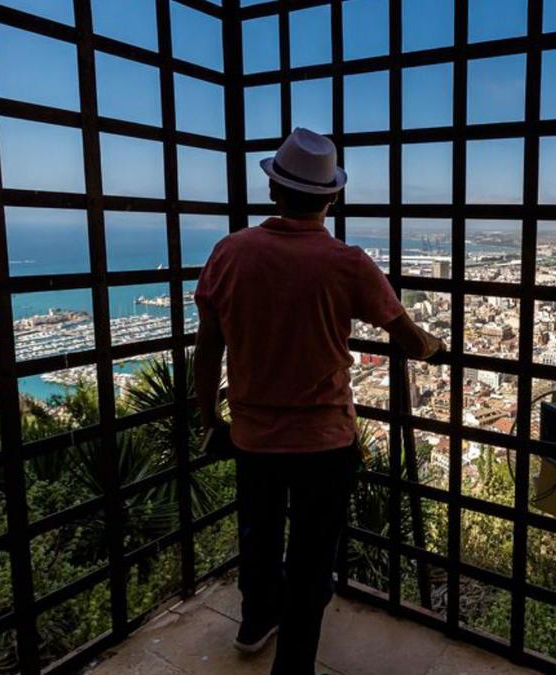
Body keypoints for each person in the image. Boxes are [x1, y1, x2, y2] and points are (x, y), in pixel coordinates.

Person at [193, 127, 446, 675]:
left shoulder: (229, 253)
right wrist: (435, 347)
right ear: (332, 198)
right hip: (324, 441)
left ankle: (255, 622)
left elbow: (208, 349)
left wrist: (210, 418)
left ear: (272, 191)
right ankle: (294, 667)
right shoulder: (346, 263)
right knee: (311, 560)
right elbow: (407, 335)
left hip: (253, 436)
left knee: (258, 535)